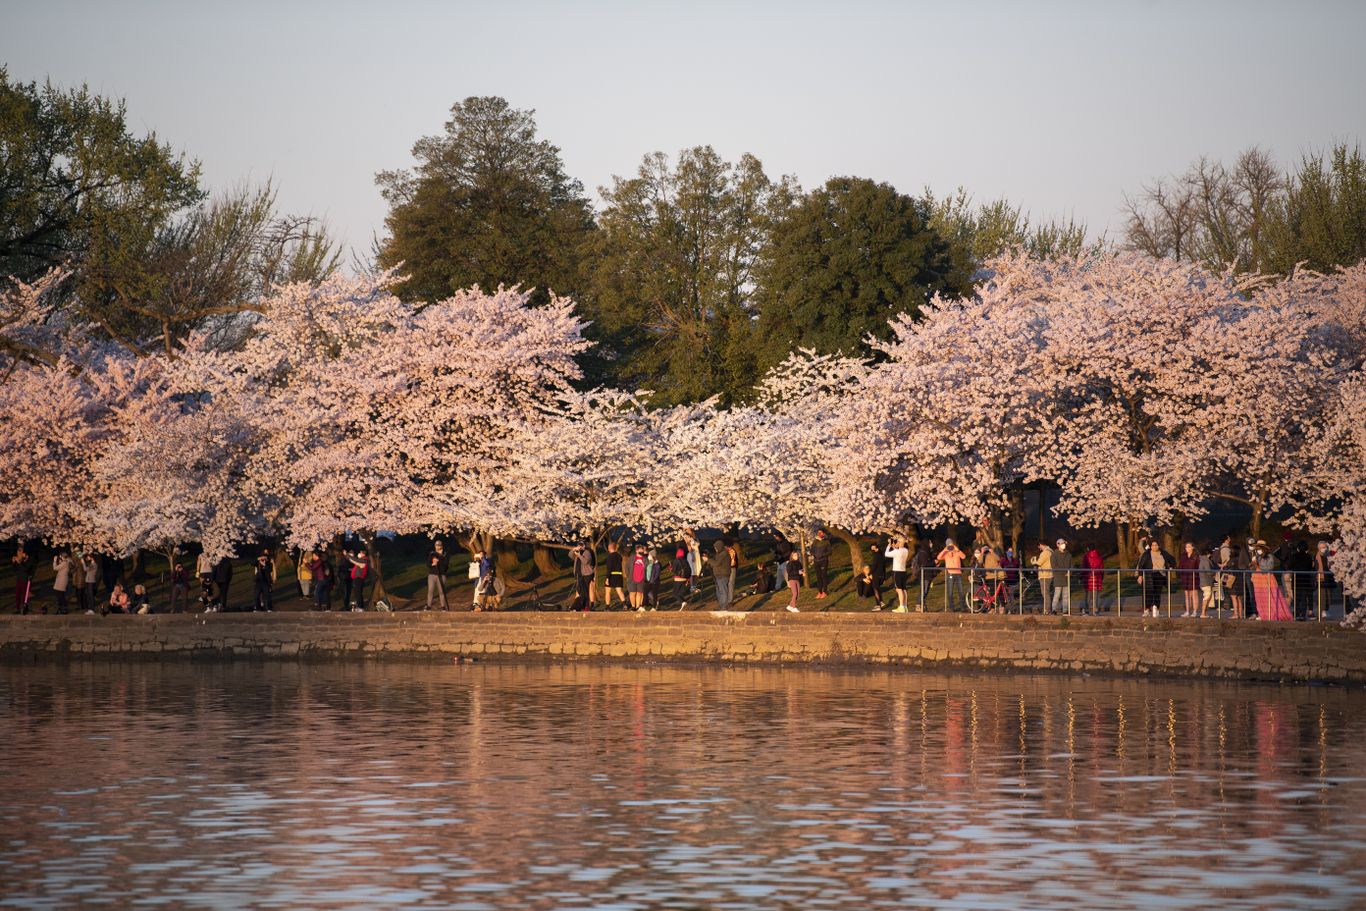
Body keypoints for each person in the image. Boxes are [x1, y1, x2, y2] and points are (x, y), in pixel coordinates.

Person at [1251, 543, 1293, 621]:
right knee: (1259, 597)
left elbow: (1269, 567)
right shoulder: (1257, 557)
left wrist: (1258, 565)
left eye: (1259, 549)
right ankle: (1262, 613)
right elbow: (1253, 567)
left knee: (1270, 596)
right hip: (1258, 579)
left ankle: (1271, 614)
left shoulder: (1269, 556)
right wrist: (1253, 564)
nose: (1258, 551)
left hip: (1267, 578)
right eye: (1257, 549)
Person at [1135, 539, 1173, 617]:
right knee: (1148, 592)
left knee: (1157, 593)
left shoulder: (1163, 553)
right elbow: (1141, 565)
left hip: (1160, 575)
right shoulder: (1147, 554)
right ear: (1150, 546)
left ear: (1158, 545)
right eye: (1153, 545)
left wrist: (1171, 567)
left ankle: (1157, 610)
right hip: (1149, 575)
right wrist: (1140, 575)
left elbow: (1172, 560)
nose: (1154, 547)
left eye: (1156, 545)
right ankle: (1147, 610)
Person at [937, 538, 967, 612]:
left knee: (961, 591)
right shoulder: (946, 553)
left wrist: (957, 550)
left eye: (951, 545)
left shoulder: (957, 552)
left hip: (958, 573)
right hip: (950, 573)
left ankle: (963, 607)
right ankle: (951, 608)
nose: (951, 547)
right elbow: (938, 557)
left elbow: (963, 557)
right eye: (949, 545)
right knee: (950, 592)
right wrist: (945, 550)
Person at [1288, 540, 1313, 620]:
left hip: (1296, 579)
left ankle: (1297, 613)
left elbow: (1289, 566)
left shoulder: (1294, 556)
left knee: (1296, 598)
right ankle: (1303, 614)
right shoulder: (1308, 556)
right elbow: (1310, 567)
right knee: (1304, 598)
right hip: (1306, 580)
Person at [885, 537, 910, 613]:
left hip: (897, 572)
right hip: (903, 571)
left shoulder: (896, 552)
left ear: (899, 542)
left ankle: (901, 606)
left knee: (899, 589)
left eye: (898, 542)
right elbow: (898, 551)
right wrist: (895, 548)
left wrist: (889, 546)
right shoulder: (906, 550)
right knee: (904, 589)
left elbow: (886, 554)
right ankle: (905, 606)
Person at [707, 540, 733, 610]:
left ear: (719, 547)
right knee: (719, 592)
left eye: (716, 548)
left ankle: (724, 607)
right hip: (718, 575)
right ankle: (721, 606)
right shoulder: (719, 554)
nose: (715, 549)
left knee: (723, 591)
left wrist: (708, 560)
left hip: (723, 575)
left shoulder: (724, 554)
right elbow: (715, 562)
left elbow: (716, 563)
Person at [572, 542, 597, 612]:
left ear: (583, 546)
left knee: (585, 590)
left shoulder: (587, 552)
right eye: (578, 545)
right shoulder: (578, 552)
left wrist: (579, 555)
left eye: (580, 546)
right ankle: (578, 605)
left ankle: (588, 605)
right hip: (579, 573)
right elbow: (570, 555)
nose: (578, 547)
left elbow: (585, 561)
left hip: (587, 574)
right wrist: (573, 550)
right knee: (579, 590)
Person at [426, 540, 450, 611]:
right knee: (430, 590)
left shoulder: (445, 554)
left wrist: (439, 560)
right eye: (436, 545)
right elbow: (428, 563)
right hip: (432, 574)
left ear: (441, 546)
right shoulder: (432, 553)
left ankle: (443, 606)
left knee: (441, 591)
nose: (437, 546)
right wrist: (432, 564)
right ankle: (428, 606)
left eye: (439, 545)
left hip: (441, 575)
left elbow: (446, 564)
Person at [1178, 542, 1201, 617]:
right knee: (1186, 595)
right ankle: (1187, 611)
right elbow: (1180, 566)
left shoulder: (1196, 556)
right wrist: (1181, 575)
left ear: (1192, 547)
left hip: (1194, 577)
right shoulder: (1183, 556)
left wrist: (1197, 575)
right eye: (1186, 547)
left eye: (1189, 547)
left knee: (1194, 594)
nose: (1187, 548)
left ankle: (1195, 611)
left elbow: (1198, 567)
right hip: (1185, 577)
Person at [1033, 541, 1055, 614]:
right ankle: (1048, 609)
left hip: (1045, 575)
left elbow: (1039, 562)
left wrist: (1033, 561)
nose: (1039, 548)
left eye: (1039, 546)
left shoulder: (1045, 552)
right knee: (1046, 593)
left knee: (1045, 593)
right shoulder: (1051, 551)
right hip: (1049, 574)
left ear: (1041, 545)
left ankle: (1047, 610)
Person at [1314, 541, 1335, 620]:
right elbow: (1315, 567)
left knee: (1329, 595)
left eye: (1325, 547)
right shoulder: (1316, 556)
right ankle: (1322, 610)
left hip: (1329, 578)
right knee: (1322, 595)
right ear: (1319, 548)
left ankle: (1326, 609)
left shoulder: (1329, 555)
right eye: (1322, 547)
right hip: (1321, 578)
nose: (1324, 549)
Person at [1051, 539, 1073, 614]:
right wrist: (1065, 571)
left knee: (1066, 596)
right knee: (1057, 595)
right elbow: (1054, 566)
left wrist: (1070, 572)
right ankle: (1054, 609)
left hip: (1066, 578)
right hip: (1058, 578)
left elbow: (1071, 566)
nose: (1064, 545)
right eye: (1062, 543)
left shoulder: (1069, 555)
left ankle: (1065, 610)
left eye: (1064, 543)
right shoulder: (1054, 555)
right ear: (1057, 545)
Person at [12, 545, 35, 614]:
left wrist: (19, 562)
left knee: (25, 595)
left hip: (25, 580)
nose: (21, 554)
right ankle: (17, 609)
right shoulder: (20, 560)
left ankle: (25, 607)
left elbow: (25, 569)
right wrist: (14, 563)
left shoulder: (30, 560)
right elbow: (16, 570)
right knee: (17, 594)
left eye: (22, 552)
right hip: (19, 579)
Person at [810, 529, 832, 600]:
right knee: (818, 577)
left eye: (821, 532)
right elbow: (811, 550)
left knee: (823, 576)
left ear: (824, 533)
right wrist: (814, 554)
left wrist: (823, 555)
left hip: (824, 561)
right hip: (816, 561)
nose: (819, 533)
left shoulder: (826, 541)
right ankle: (819, 592)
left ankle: (824, 592)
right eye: (818, 532)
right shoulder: (815, 541)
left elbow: (830, 551)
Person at [1082, 545, 1104, 616]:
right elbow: (1101, 568)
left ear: (1088, 548)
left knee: (1088, 595)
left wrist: (1081, 576)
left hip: (1088, 578)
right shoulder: (1099, 557)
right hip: (1097, 578)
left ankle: (1086, 610)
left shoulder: (1086, 557)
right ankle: (1095, 610)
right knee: (1095, 595)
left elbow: (1084, 567)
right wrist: (1102, 577)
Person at [604, 540, 625, 609]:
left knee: (607, 591)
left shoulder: (609, 557)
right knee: (619, 591)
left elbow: (609, 568)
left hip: (611, 576)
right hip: (618, 575)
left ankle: (607, 607)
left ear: (609, 548)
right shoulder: (619, 556)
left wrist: (607, 578)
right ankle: (624, 604)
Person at [669, 546, 691, 610]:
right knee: (680, 593)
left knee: (675, 593)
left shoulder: (676, 560)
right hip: (685, 578)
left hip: (678, 579)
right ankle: (683, 603)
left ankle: (683, 602)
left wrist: (670, 567)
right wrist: (688, 579)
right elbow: (689, 569)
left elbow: (674, 570)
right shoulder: (685, 560)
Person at [627, 546, 648, 612]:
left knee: (639, 593)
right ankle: (633, 606)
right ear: (636, 551)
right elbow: (626, 567)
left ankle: (637, 606)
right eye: (640, 550)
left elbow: (648, 567)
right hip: (632, 579)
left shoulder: (645, 559)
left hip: (641, 579)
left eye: (642, 550)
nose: (641, 552)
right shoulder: (632, 558)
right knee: (632, 593)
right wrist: (628, 575)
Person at [783, 547, 804, 612]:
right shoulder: (790, 563)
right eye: (795, 555)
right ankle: (793, 607)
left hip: (797, 579)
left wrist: (802, 572)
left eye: (797, 555)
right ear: (792, 556)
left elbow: (800, 570)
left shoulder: (799, 563)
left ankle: (790, 606)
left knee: (797, 594)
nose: (796, 556)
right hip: (792, 579)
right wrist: (798, 572)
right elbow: (790, 572)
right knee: (794, 593)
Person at [51, 550, 71, 615]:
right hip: (62, 580)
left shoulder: (64, 563)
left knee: (60, 596)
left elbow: (55, 568)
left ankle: (63, 609)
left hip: (61, 581)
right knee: (60, 595)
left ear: (62, 557)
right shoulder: (66, 562)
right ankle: (62, 609)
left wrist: (54, 561)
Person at [683, 530, 702, 596]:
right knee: (692, 571)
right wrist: (692, 555)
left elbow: (697, 544)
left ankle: (695, 586)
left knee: (697, 571)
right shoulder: (687, 537)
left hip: (697, 554)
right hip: (692, 555)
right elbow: (689, 547)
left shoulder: (695, 538)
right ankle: (692, 587)